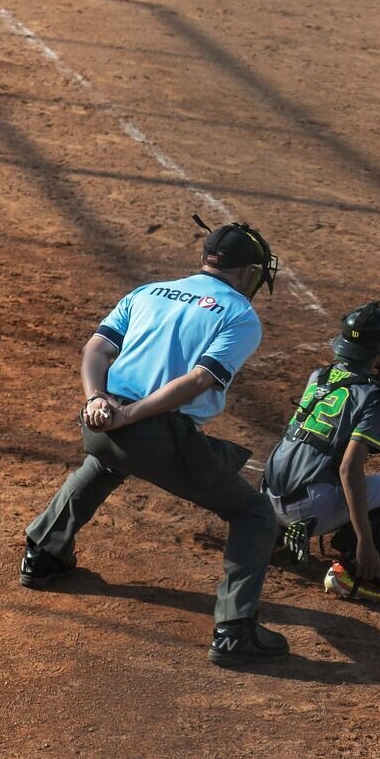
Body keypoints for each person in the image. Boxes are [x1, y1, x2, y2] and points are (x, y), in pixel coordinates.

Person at [20, 215, 287, 667]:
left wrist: (97, 402)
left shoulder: (148, 291)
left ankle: (43, 555)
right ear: (246, 273)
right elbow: (200, 379)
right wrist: (127, 415)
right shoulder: (240, 315)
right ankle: (234, 631)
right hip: (151, 433)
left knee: (105, 462)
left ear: (206, 260)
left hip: (99, 425)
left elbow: (96, 350)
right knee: (254, 513)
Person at [262, 300, 380, 603]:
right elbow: (349, 469)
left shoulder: (320, 376)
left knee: (309, 448)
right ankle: (350, 572)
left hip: (267, 497)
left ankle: (272, 532)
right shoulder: (374, 396)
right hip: (312, 508)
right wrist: (365, 543)